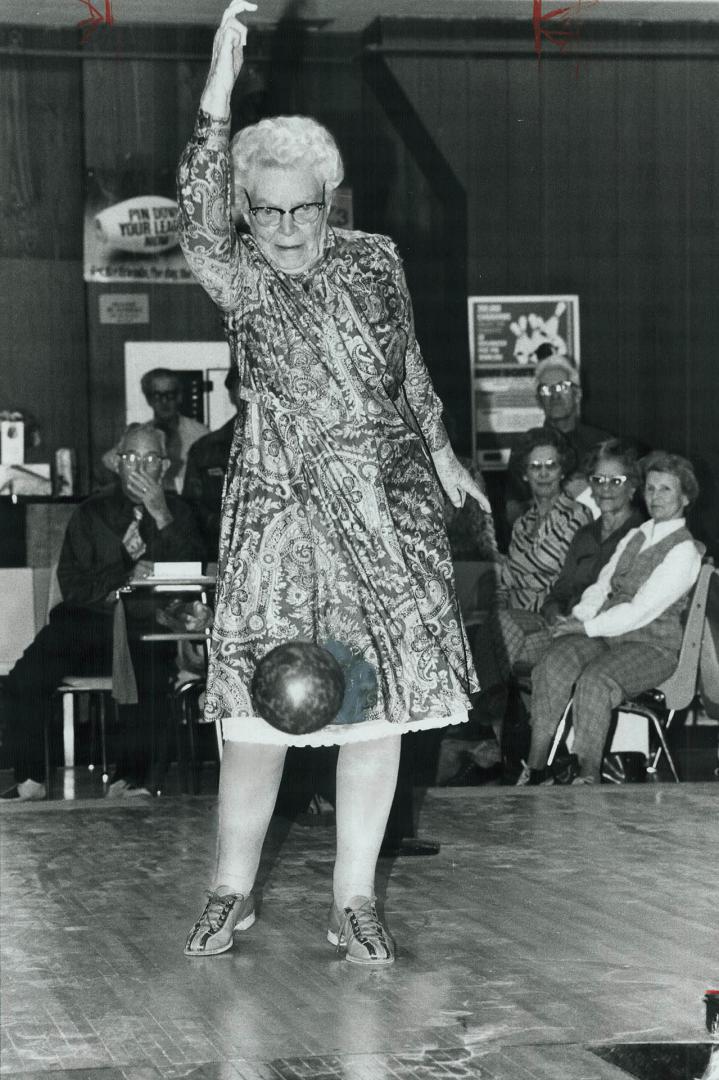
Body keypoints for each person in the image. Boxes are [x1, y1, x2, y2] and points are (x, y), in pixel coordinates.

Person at [176, 0, 490, 966]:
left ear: (330, 197)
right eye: (261, 209)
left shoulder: (376, 262)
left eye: (299, 207)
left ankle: (352, 899)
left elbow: (407, 374)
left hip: (385, 509)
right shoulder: (240, 276)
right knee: (257, 716)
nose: (282, 228)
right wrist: (217, 95)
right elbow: (195, 209)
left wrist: (442, 460)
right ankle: (230, 892)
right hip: (280, 511)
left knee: (379, 707)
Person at [0, 425, 205, 801]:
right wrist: (124, 579)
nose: (140, 469)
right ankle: (30, 779)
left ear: (165, 465)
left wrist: (162, 518)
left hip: (146, 625)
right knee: (24, 678)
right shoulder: (91, 512)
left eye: (150, 459)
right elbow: (74, 584)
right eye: (131, 459)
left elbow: (191, 577)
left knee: (149, 673)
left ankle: (134, 781)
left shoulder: (180, 513)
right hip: (88, 623)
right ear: (117, 462)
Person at [523, 451, 702, 785]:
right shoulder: (638, 534)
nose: (655, 497)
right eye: (650, 488)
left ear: (685, 496)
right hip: (611, 634)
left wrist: (587, 627)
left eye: (666, 489)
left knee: (596, 679)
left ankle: (586, 774)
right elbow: (602, 584)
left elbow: (641, 610)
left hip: (654, 647)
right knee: (555, 659)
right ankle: (535, 767)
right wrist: (577, 618)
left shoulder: (684, 550)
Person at [470, 427, 593, 749]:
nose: (543, 474)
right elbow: (508, 577)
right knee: (493, 630)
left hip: (551, 619)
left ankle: (490, 730)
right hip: (518, 619)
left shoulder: (578, 516)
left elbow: (576, 581)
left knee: (502, 629)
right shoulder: (522, 524)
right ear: (524, 473)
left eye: (550, 465)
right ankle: (506, 743)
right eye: (535, 467)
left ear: (562, 469)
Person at [505, 355, 610, 526]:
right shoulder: (524, 446)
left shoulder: (602, 443)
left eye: (563, 387)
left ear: (578, 394)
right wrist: (562, 496)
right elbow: (512, 513)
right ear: (539, 400)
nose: (555, 395)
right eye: (546, 389)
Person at [102, 369, 209, 493]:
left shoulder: (199, 434)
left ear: (179, 397)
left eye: (170, 395)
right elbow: (108, 461)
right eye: (157, 396)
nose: (164, 402)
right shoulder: (141, 434)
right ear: (149, 399)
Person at [183, 366, 241, 561]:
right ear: (231, 393)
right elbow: (190, 509)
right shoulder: (205, 449)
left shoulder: (288, 447)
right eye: (242, 386)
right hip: (216, 557)